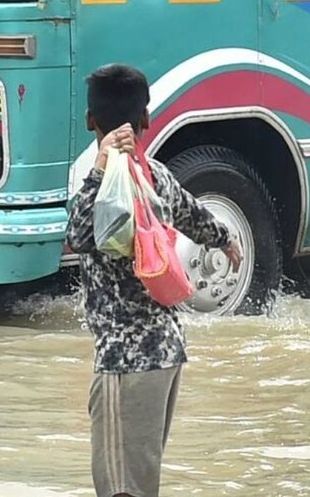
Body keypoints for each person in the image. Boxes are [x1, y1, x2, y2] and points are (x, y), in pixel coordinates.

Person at [66, 64, 244, 497]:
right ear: (146, 119)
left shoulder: (109, 182)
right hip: (165, 352)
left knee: (121, 488)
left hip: (126, 363)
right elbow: (194, 215)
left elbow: (77, 235)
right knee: (142, 482)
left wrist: (100, 165)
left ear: (90, 120)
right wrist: (228, 242)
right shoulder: (157, 176)